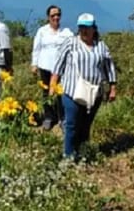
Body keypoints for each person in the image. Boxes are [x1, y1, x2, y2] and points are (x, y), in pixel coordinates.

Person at [50, 13, 117, 161]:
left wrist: (112, 88)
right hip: (71, 91)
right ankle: (68, 156)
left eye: (87, 28)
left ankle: (83, 154)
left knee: (85, 125)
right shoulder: (70, 43)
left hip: (94, 92)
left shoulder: (101, 46)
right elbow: (58, 65)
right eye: (81, 28)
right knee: (72, 124)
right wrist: (53, 84)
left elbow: (109, 67)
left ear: (94, 29)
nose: (84, 31)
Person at [31, 4, 73, 129]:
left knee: (61, 93)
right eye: (53, 15)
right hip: (45, 66)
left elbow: (73, 47)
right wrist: (34, 64)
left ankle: (62, 117)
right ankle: (49, 117)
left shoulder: (66, 32)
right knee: (46, 92)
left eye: (58, 15)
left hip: (61, 68)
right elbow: (36, 48)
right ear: (48, 17)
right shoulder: (42, 31)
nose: (56, 17)